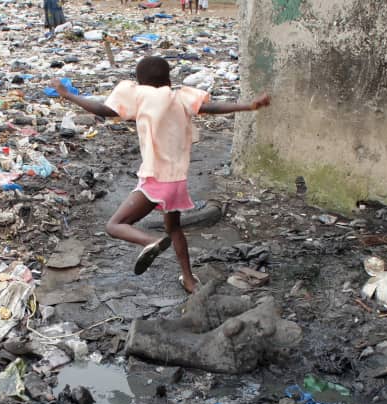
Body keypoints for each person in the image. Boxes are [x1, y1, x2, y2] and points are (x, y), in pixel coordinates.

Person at [50, 56, 270, 294]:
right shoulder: (181, 97)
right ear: (169, 79)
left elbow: (103, 109)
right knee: (174, 228)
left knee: (115, 225)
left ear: (140, 81)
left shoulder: (140, 95)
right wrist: (249, 105)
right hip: (177, 181)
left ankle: (149, 241)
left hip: (156, 179)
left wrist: (67, 94)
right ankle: (189, 280)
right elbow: (211, 108)